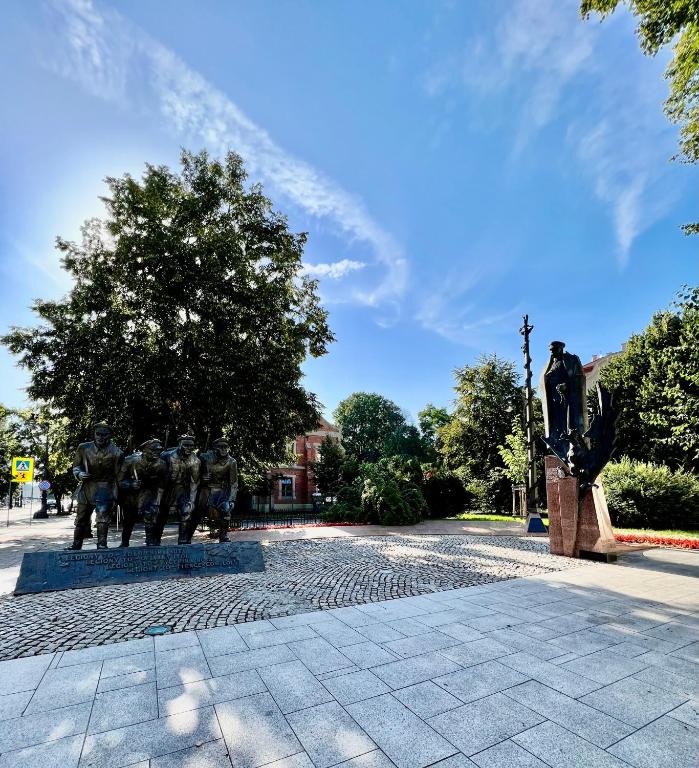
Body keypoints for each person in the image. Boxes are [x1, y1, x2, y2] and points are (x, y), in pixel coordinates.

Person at [68, 422, 123, 550]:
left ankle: (102, 544)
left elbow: (118, 476)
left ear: (109, 436)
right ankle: (76, 545)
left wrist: (116, 494)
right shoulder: (84, 448)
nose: (100, 437)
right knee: (81, 518)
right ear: (94, 434)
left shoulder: (117, 453)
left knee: (102, 518)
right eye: (98, 434)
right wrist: (79, 473)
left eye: (104, 434)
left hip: (105, 488)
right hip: (87, 488)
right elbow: (76, 466)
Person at [540, 340, 587, 460]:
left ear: (560, 349)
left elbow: (579, 378)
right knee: (558, 425)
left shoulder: (571, 360)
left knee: (570, 424)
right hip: (555, 401)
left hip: (570, 400)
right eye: (551, 351)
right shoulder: (551, 364)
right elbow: (545, 381)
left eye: (554, 350)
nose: (552, 353)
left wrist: (566, 385)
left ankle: (573, 447)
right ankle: (562, 444)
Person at [118, 438, 167, 547]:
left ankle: (149, 542)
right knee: (128, 520)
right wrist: (130, 484)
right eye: (153, 450)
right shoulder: (130, 461)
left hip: (149, 494)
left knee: (150, 517)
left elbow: (161, 485)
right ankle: (124, 542)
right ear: (144, 451)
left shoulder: (162, 464)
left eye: (158, 450)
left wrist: (157, 502)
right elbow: (119, 481)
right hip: (131, 496)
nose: (156, 453)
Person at [193, 437, 238, 542]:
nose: (223, 450)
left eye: (226, 447)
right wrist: (202, 478)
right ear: (215, 448)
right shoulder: (205, 458)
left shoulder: (231, 462)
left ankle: (223, 536)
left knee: (226, 511)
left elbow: (234, 482)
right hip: (206, 491)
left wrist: (231, 499)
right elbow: (194, 475)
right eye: (220, 447)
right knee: (195, 512)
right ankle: (186, 537)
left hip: (221, 492)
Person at [157, 435, 200, 545]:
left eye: (191, 446)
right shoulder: (166, 455)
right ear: (179, 444)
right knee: (161, 514)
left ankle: (183, 541)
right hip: (166, 489)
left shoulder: (195, 460)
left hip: (182, 490)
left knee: (186, 512)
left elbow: (194, 482)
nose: (189, 448)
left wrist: (192, 501)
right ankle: (155, 540)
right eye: (186, 445)